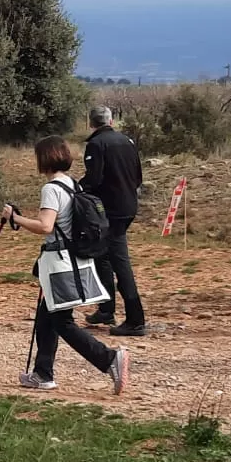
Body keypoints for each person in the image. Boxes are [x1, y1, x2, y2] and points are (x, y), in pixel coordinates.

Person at [5, 136, 132, 394]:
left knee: (62, 321)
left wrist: (15, 218)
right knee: (46, 318)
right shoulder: (72, 185)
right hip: (75, 260)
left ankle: (109, 359)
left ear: (44, 159)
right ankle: (43, 373)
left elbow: (45, 226)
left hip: (59, 266)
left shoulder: (51, 189)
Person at [79, 106, 147, 336]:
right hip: (128, 205)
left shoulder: (96, 145)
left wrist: (79, 190)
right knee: (102, 257)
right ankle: (106, 309)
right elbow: (138, 176)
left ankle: (136, 319)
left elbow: (94, 178)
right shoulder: (127, 141)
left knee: (119, 262)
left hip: (109, 210)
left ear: (91, 123)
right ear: (112, 121)